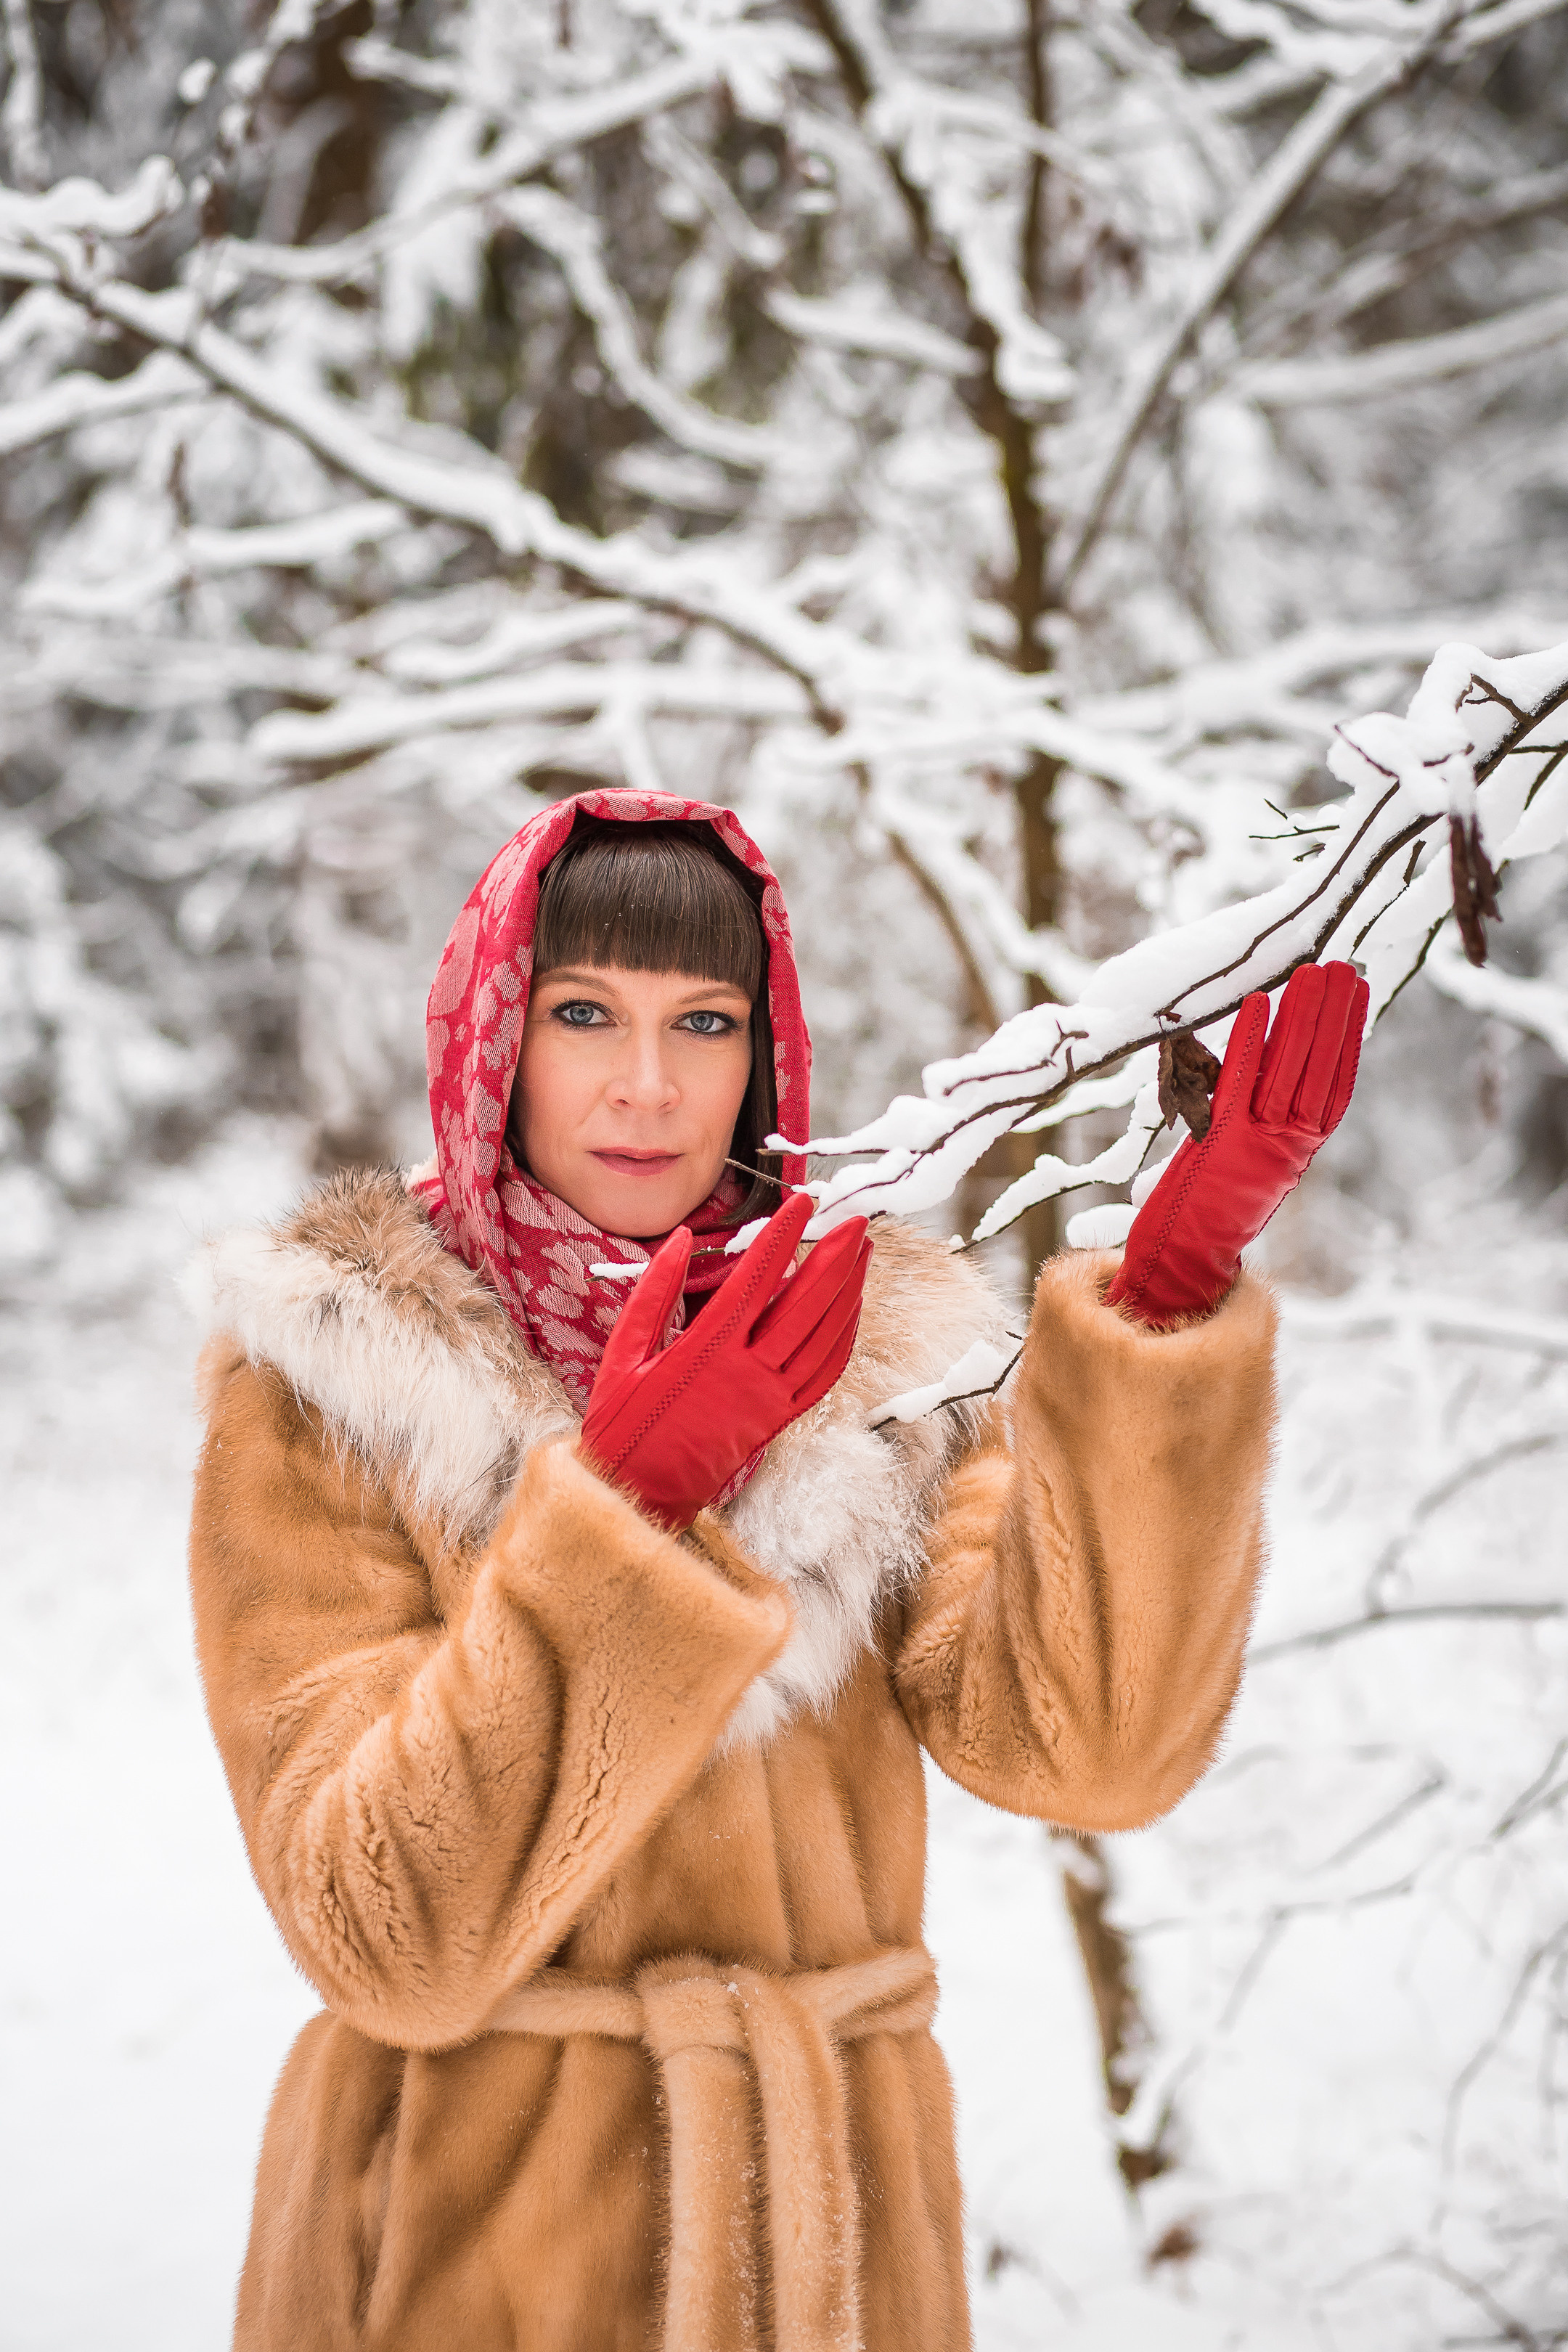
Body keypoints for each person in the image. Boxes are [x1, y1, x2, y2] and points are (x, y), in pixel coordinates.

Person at [187, 787, 1366, 2352]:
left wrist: (1163, 1314)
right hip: (465, 2260)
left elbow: (1089, 1750)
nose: (650, 1085)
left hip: (838, 2265)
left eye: (709, 1020)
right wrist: (629, 1519)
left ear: (765, 1056)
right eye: (586, 1013)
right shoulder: (337, 1385)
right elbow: (382, 1938)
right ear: (493, 1038)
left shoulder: (873, 1362)